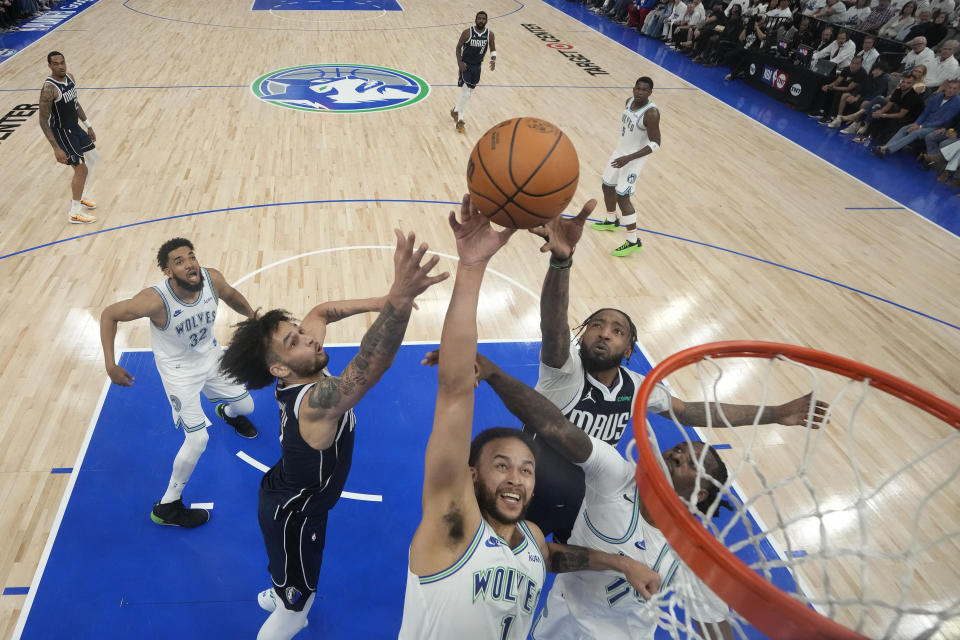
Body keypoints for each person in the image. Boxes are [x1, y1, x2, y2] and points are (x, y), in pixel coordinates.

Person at [399, 197, 661, 639]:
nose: (516, 478)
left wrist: (621, 563)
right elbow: (455, 393)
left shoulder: (533, 543)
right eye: (501, 465)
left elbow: (557, 558)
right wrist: (471, 268)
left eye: (526, 469)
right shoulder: (451, 526)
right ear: (470, 475)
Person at [526, 208, 827, 544]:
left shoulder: (636, 388)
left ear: (628, 350)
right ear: (582, 336)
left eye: (617, 330)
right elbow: (553, 326)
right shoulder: (563, 370)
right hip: (529, 484)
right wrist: (562, 262)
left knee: (583, 573)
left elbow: (693, 411)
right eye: (596, 325)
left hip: (587, 495)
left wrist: (775, 413)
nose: (604, 333)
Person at [219, 229, 448, 640]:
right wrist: (395, 302)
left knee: (289, 575)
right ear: (279, 369)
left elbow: (322, 312)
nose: (308, 338)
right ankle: (289, 603)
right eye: (295, 340)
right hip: (295, 512)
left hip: (288, 492)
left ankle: (281, 588)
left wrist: (382, 302)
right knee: (297, 609)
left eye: (299, 332)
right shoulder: (316, 402)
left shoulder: (301, 363)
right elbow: (371, 364)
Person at [474, 353, 738, 640]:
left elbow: (713, 623)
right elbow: (555, 426)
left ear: (700, 493)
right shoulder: (616, 476)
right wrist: (493, 373)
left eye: (691, 462)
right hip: (557, 630)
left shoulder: (692, 552)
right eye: (678, 448)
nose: (677, 455)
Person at [100, 238, 260, 528]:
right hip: (178, 372)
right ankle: (168, 506)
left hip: (210, 357)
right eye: (179, 261)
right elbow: (109, 314)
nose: (189, 264)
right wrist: (110, 364)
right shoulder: (154, 300)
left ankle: (227, 413)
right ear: (168, 271)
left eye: (191, 257)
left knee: (246, 405)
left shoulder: (212, 279)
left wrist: (254, 319)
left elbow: (232, 295)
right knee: (198, 439)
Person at [589, 77, 660, 258]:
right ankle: (612, 221)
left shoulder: (651, 113)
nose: (639, 92)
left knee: (623, 197)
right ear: (633, 89)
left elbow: (656, 143)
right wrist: (622, 155)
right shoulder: (628, 102)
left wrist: (628, 158)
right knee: (606, 185)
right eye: (637, 88)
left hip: (633, 160)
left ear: (650, 92)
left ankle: (633, 241)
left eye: (644, 90)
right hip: (619, 153)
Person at [38, 51, 99, 224]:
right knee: (81, 169)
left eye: (62, 62)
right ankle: (74, 212)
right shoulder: (49, 89)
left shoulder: (70, 77)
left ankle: (82, 193)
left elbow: (75, 103)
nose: (60, 66)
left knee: (94, 157)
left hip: (75, 127)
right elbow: (43, 120)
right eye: (56, 64)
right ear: (50, 66)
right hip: (62, 132)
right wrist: (56, 148)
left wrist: (88, 125)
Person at [873, 78, 960, 156]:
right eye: (949, 87)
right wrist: (916, 123)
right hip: (924, 123)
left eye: (954, 89)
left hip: (937, 127)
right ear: (945, 87)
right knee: (905, 129)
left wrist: (920, 126)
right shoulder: (937, 97)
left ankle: (885, 148)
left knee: (915, 133)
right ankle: (885, 148)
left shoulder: (957, 102)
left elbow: (944, 120)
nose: (951, 90)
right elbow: (925, 112)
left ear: (958, 90)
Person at [451, 11, 496, 134]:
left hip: (477, 67)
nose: (481, 20)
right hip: (465, 65)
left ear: (486, 21)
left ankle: (455, 110)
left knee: (469, 94)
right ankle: (460, 121)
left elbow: (493, 48)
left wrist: (493, 59)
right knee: (465, 94)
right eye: (479, 18)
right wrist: (459, 62)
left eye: (483, 19)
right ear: (475, 19)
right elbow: (458, 47)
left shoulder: (489, 34)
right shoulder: (467, 32)